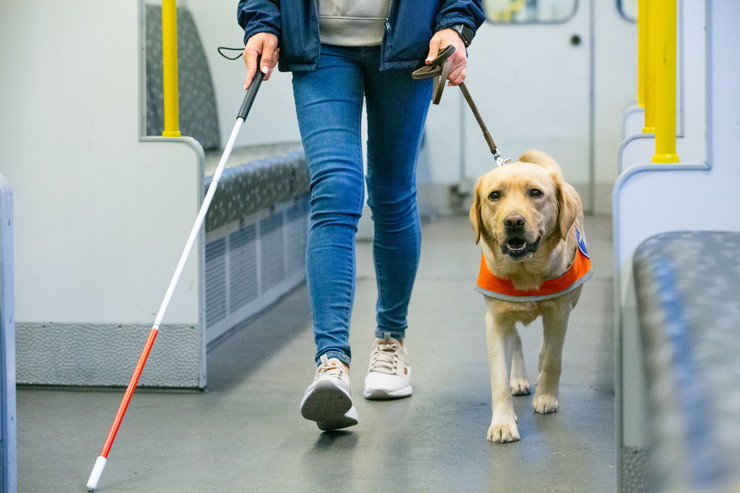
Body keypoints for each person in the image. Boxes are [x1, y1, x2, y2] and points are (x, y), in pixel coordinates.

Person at [238, 0, 485, 431]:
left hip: (408, 46)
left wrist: (456, 25)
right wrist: (262, 22)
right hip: (320, 46)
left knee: (391, 192)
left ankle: (391, 340)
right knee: (335, 189)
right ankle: (331, 363)